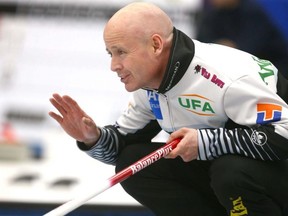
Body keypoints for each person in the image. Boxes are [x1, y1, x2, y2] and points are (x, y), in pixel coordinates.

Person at [49, 2, 288, 216]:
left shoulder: (226, 76)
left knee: (231, 172)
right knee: (132, 163)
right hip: (233, 172)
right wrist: (93, 138)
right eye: (110, 54)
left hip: (275, 169)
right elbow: (120, 149)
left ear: (155, 45)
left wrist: (207, 142)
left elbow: (284, 133)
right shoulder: (149, 84)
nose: (113, 66)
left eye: (121, 52)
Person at [196, 0, 288, 101]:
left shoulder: (252, 12)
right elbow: (201, 47)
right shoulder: (212, 15)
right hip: (239, 77)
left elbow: (245, 51)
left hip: (272, 73)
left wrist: (223, 48)